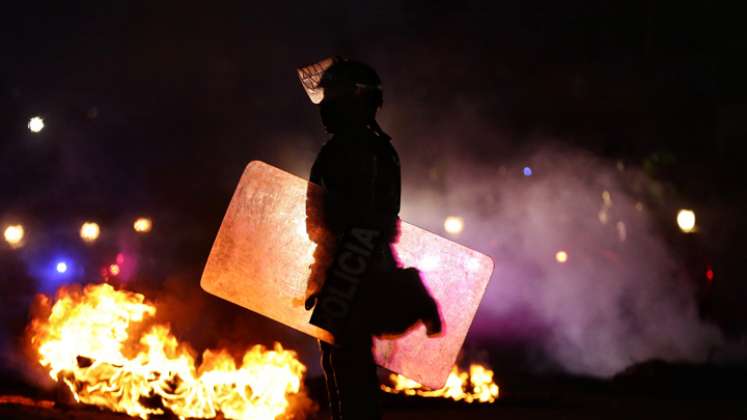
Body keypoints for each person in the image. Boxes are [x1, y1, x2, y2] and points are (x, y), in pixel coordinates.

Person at [298, 57, 441, 420]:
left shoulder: (351, 148)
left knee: (348, 373)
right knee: (346, 369)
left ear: (354, 99)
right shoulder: (376, 146)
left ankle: (412, 293)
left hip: (351, 267)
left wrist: (336, 278)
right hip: (356, 263)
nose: (326, 105)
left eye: (333, 95)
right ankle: (412, 294)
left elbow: (346, 220)